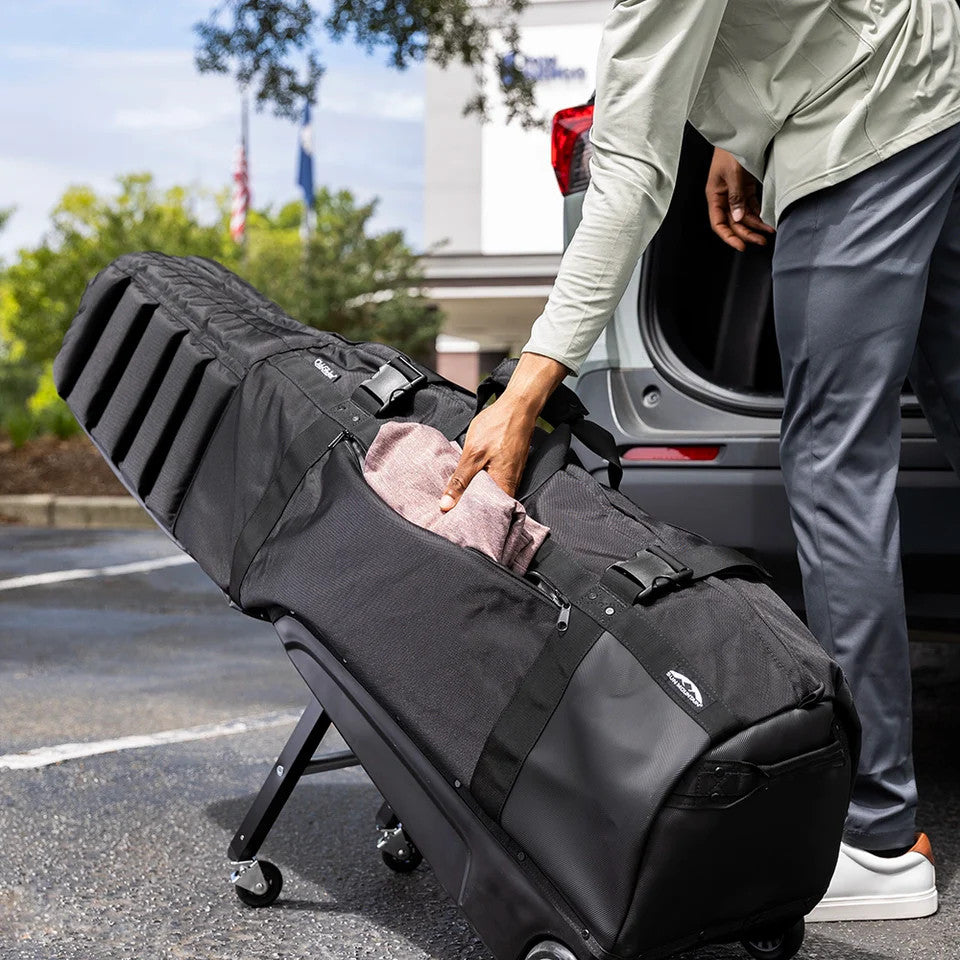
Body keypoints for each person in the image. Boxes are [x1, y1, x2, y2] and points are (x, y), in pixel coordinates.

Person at [438, 0, 960, 922]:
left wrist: (523, 393)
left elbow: (632, 175)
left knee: (834, 463)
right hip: (934, 80)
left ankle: (877, 839)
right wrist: (741, 137)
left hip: (866, 116)